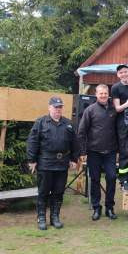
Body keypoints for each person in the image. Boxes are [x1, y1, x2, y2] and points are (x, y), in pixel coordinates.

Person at [27, 96, 79, 230]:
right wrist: (32, 160)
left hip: (62, 164)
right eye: (55, 107)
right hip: (45, 163)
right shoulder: (41, 123)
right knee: (43, 192)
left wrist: (74, 159)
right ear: (49, 107)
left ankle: (55, 217)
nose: (58, 109)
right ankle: (41, 218)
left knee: (58, 192)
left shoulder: (68, 124)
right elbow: (33, 141)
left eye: (60, 107)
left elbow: (75, 142)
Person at [78, 84, 118, 221]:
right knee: (94, 179)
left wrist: (118, 150)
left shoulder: (114, 110)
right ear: (96, 94)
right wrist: (83, 151)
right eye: (100, 93)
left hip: (111, 152)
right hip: (93, 151)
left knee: (112, 178)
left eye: (105, 93)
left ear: (108, 94)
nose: (103, 95)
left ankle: (109, 207)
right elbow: (82, 132)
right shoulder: (90, 110)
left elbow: (119, 131)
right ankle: (96, 208)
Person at [111, 64, 128, 192]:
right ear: (118, 75)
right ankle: (124, 181)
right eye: (121, 72)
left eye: (125, 72)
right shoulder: (116, 88)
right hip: (123, 124)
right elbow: (117, 108)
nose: (123, 74)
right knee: (125, 152)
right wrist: (127, 104)